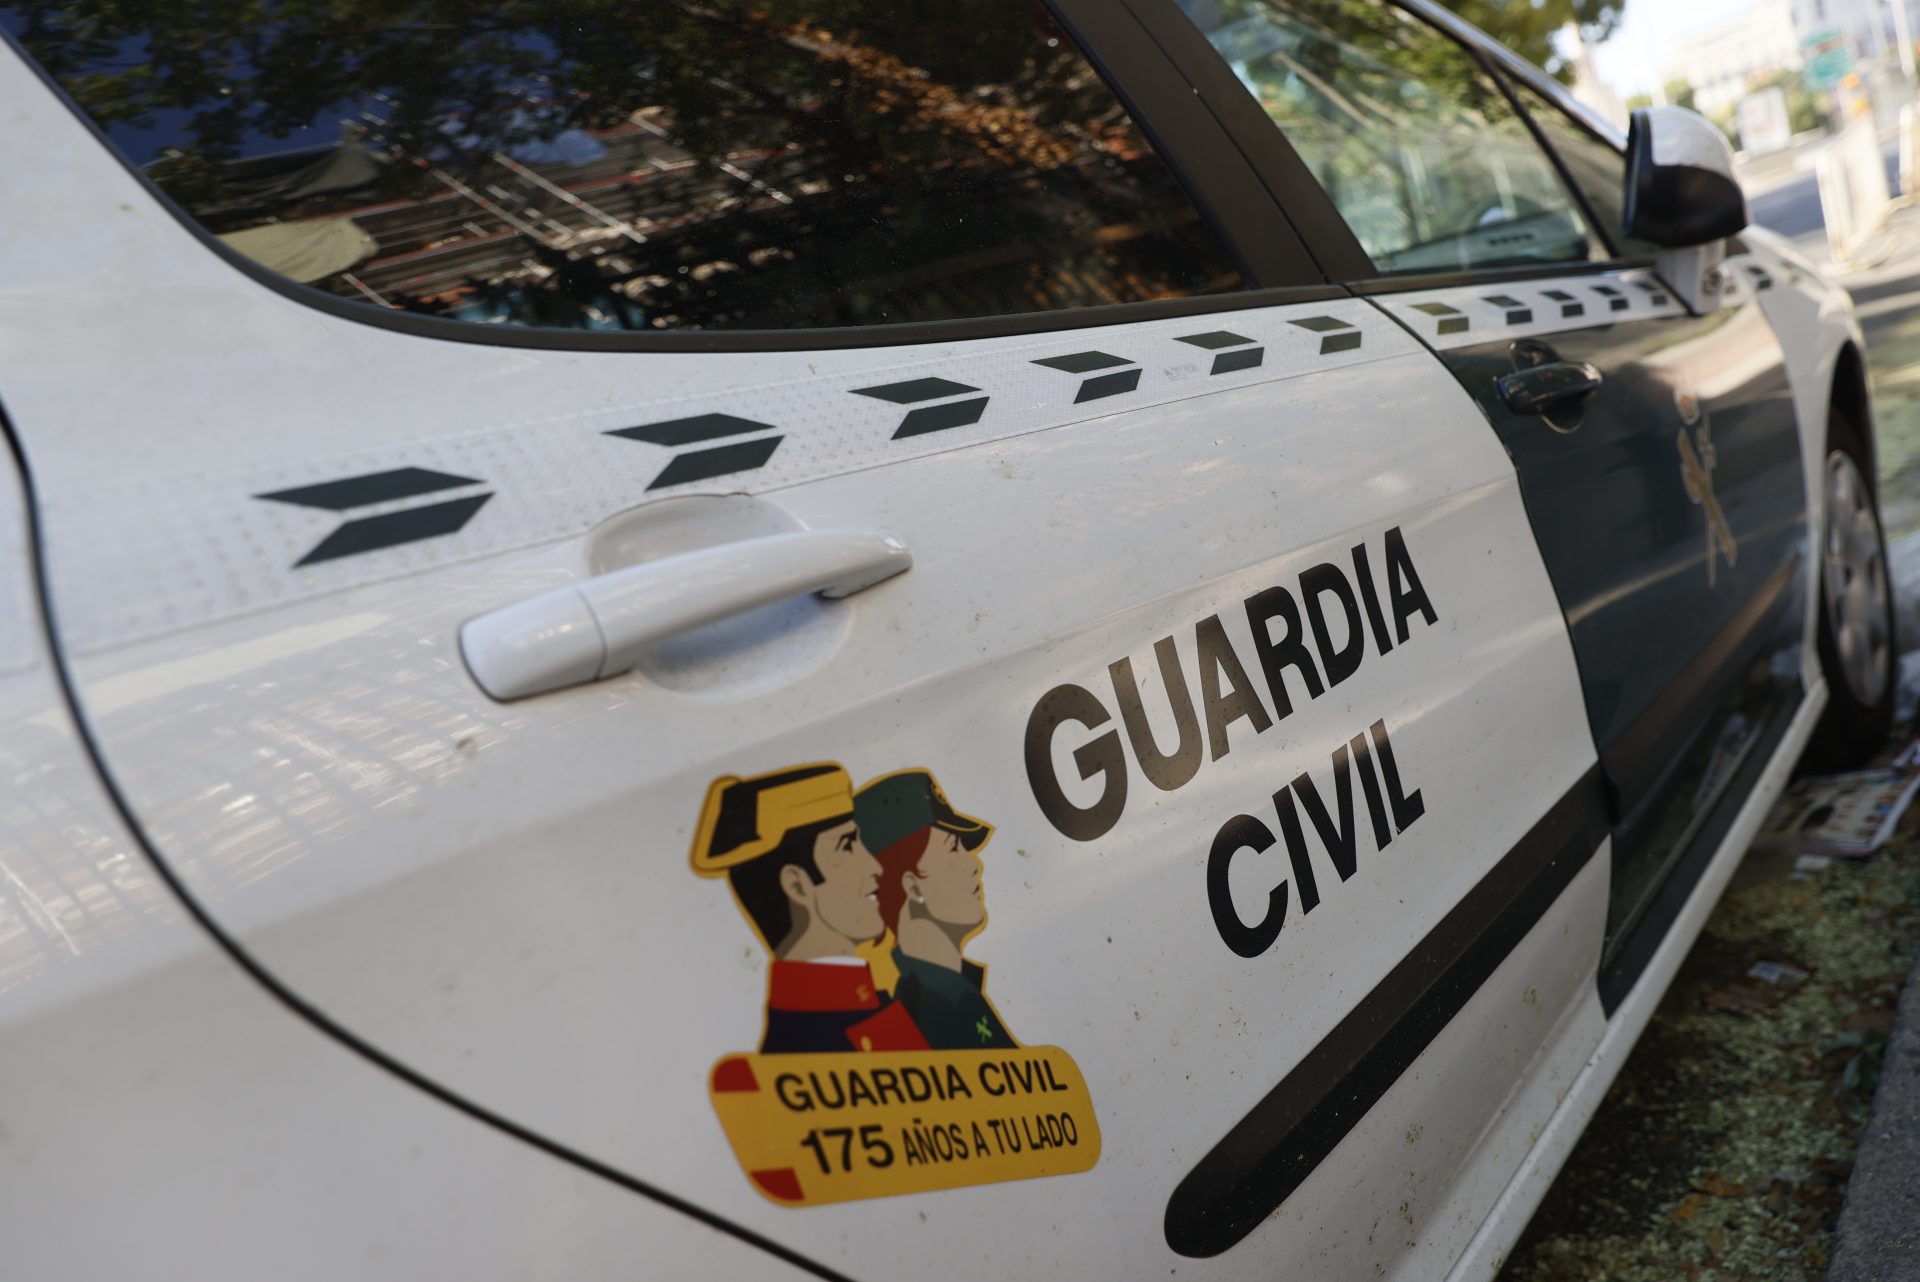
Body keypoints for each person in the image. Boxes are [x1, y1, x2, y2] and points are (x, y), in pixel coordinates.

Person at [692, 763, 927, 1054]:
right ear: (798, 885)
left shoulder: (868, 1006)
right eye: (847, 846)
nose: (874, 866)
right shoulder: (804, 1040)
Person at [855, 769, 1017, 1050]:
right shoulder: (935, 1007)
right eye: (953, 848)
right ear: (912, 886)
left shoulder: (953, 992)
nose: (975, 864)